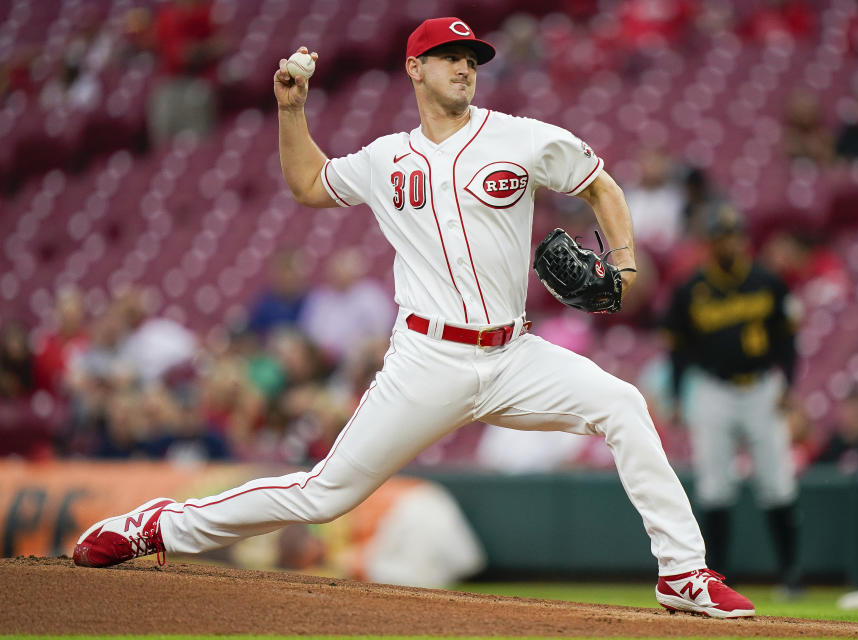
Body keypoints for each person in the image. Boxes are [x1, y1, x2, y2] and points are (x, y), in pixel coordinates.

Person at [73, 18, 754, 619]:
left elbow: (600, 184)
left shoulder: (521, 139)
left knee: (623, 405)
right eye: (451, 56)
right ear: (414, 68)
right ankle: (154, 528)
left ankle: (682, 573)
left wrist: (627, 265)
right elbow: (310, 185)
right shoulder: (385, 159)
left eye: (473, 58)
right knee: (324, 495)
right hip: (427, 360)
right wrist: (292, 112)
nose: (465, 66)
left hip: (512, 355)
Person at [661, 201, 802, 592]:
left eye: (733, 236)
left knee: (777, 482)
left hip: (761, 387)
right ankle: (719, 576)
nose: (728, 244)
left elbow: (788, 340)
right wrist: (675, 396)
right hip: (712, 389)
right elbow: (678, 350)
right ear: (709, 242)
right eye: (721, 237)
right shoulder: (690, 289)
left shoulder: (766, 281)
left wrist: (788, 384)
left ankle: (790, 573)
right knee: (714, 485)